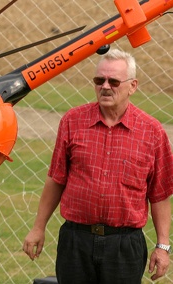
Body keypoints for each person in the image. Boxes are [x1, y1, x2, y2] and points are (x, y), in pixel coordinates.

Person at [22, 49, 173, 283]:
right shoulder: (72, 121)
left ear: (132, 86)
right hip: (76, 241)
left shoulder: (152, 132)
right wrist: (38, 227)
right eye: (98, 80)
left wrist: (163, 246)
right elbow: (56, 178)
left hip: (124, 245)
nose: (105, 86)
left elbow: (160, 193)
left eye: (113, 81)